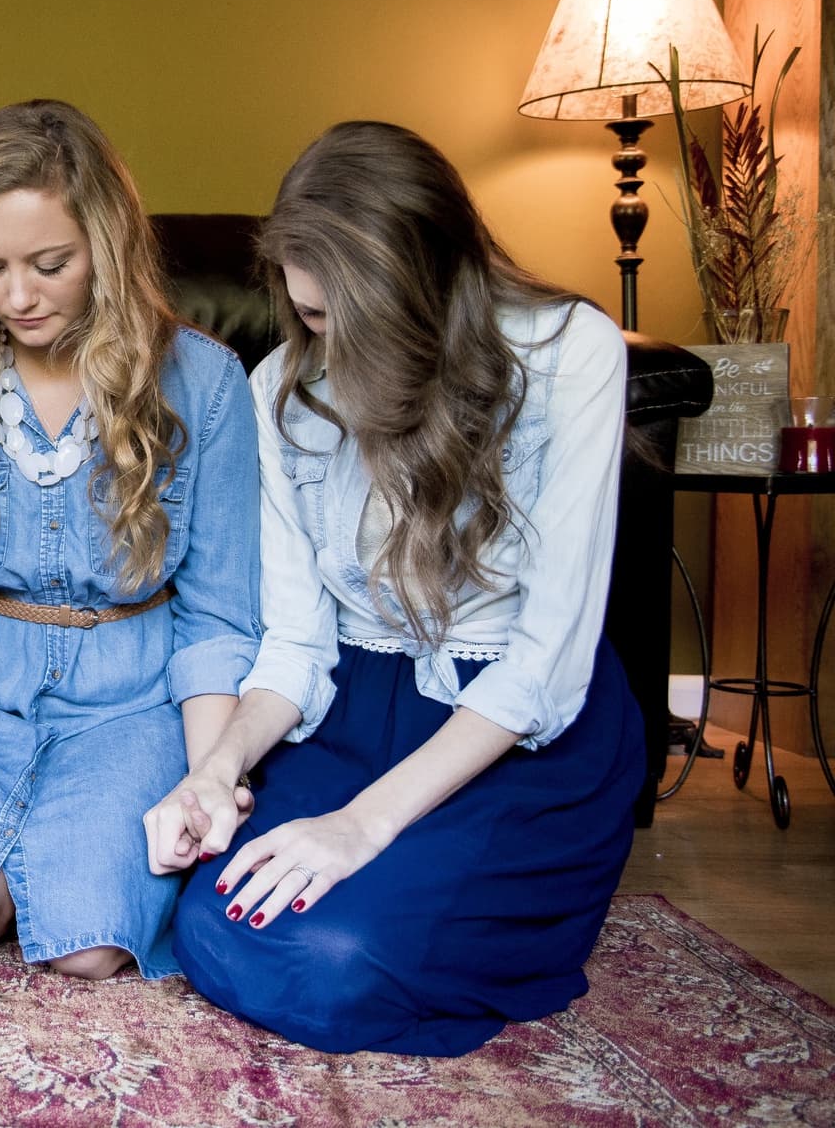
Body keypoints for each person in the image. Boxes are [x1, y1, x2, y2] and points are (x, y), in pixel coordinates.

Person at [159, 120, 643, 1055]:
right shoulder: (279, 389)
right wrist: (216, 767)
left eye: (355, 320)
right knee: (213, 921)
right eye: (311, 317)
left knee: (337, 959)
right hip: (358, 711)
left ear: (429, 287)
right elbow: (297, 645)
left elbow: (545, 665)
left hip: (513, 732)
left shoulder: (571, 352)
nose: (330, 351)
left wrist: (359, 827)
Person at [0, 99, 261, 980]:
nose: (18, 297)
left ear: (106, 247)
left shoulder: (207, 382)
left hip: (131, 700)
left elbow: (220, 617)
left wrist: (209, 780)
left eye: (50, 265)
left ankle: (54, 864)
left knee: (89, 942)